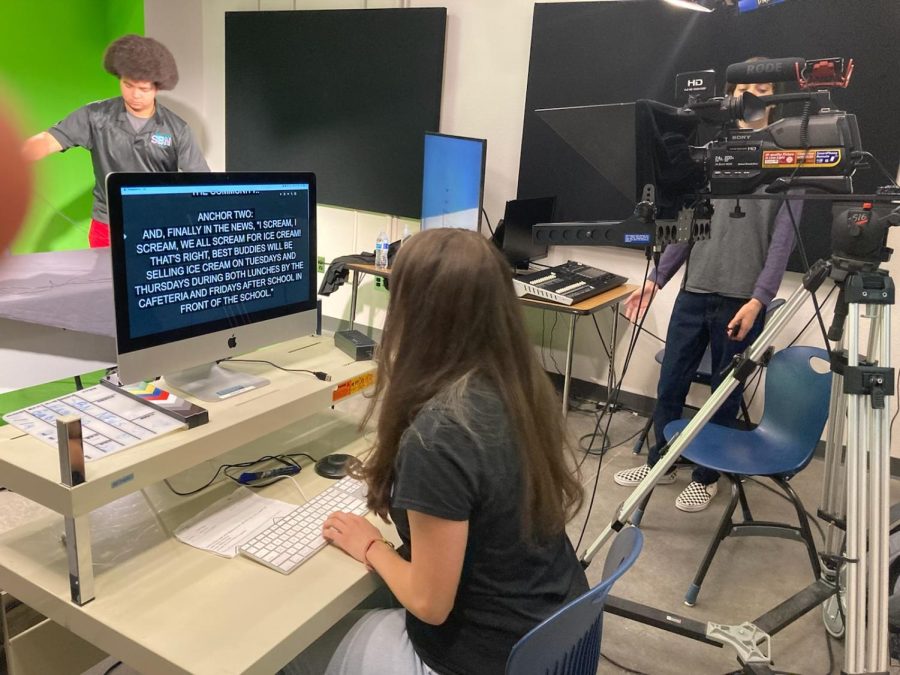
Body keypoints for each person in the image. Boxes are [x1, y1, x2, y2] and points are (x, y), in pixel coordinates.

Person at [281, 228, 587, 675]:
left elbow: (430, 604)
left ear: (417, 314)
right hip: (552, 641)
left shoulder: (438, 436)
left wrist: (371, 546)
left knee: (284, 652)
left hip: (480, 659)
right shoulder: (516, 390)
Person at [613, 73, 803, 513]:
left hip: (741, 300)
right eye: (742, 89)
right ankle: (661, 462)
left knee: (724, 392)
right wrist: (655, 278)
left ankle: (706, 475)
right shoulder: (709, 157)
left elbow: (783, 242)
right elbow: (686, 225)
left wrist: (759, 300)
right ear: (730, 97)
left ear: (776, 102)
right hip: (693, 292)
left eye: (763, 91)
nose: (750, 96)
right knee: (671, 382)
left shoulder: (788, 159)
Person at [22, 34, 209, 248]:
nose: (135, 94)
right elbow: (48, 140)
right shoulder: (94, 116)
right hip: (107, 226)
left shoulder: (177, 129)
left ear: (157, 87)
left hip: (158, 225)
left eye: (144, 89)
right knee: (106, 281)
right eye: (128, 85)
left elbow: (201, 182)